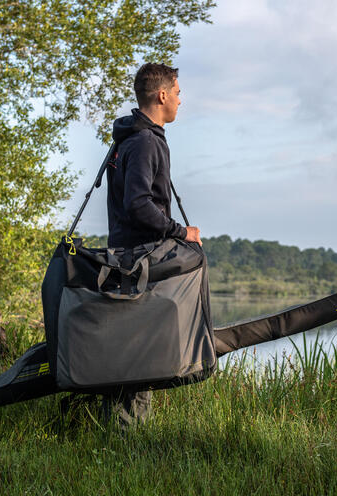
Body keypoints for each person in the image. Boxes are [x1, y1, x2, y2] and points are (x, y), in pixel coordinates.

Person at [103, 63, 202, 426]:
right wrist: (181, 232)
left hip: (129, 256)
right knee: (138, 348)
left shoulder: (134, 137)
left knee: (135, 345)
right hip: (138, 259)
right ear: (162, 96)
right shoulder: (145, 142)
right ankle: (126, 438)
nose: (180, 99)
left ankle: (123, 430)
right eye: (177, 93)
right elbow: (138, 204)